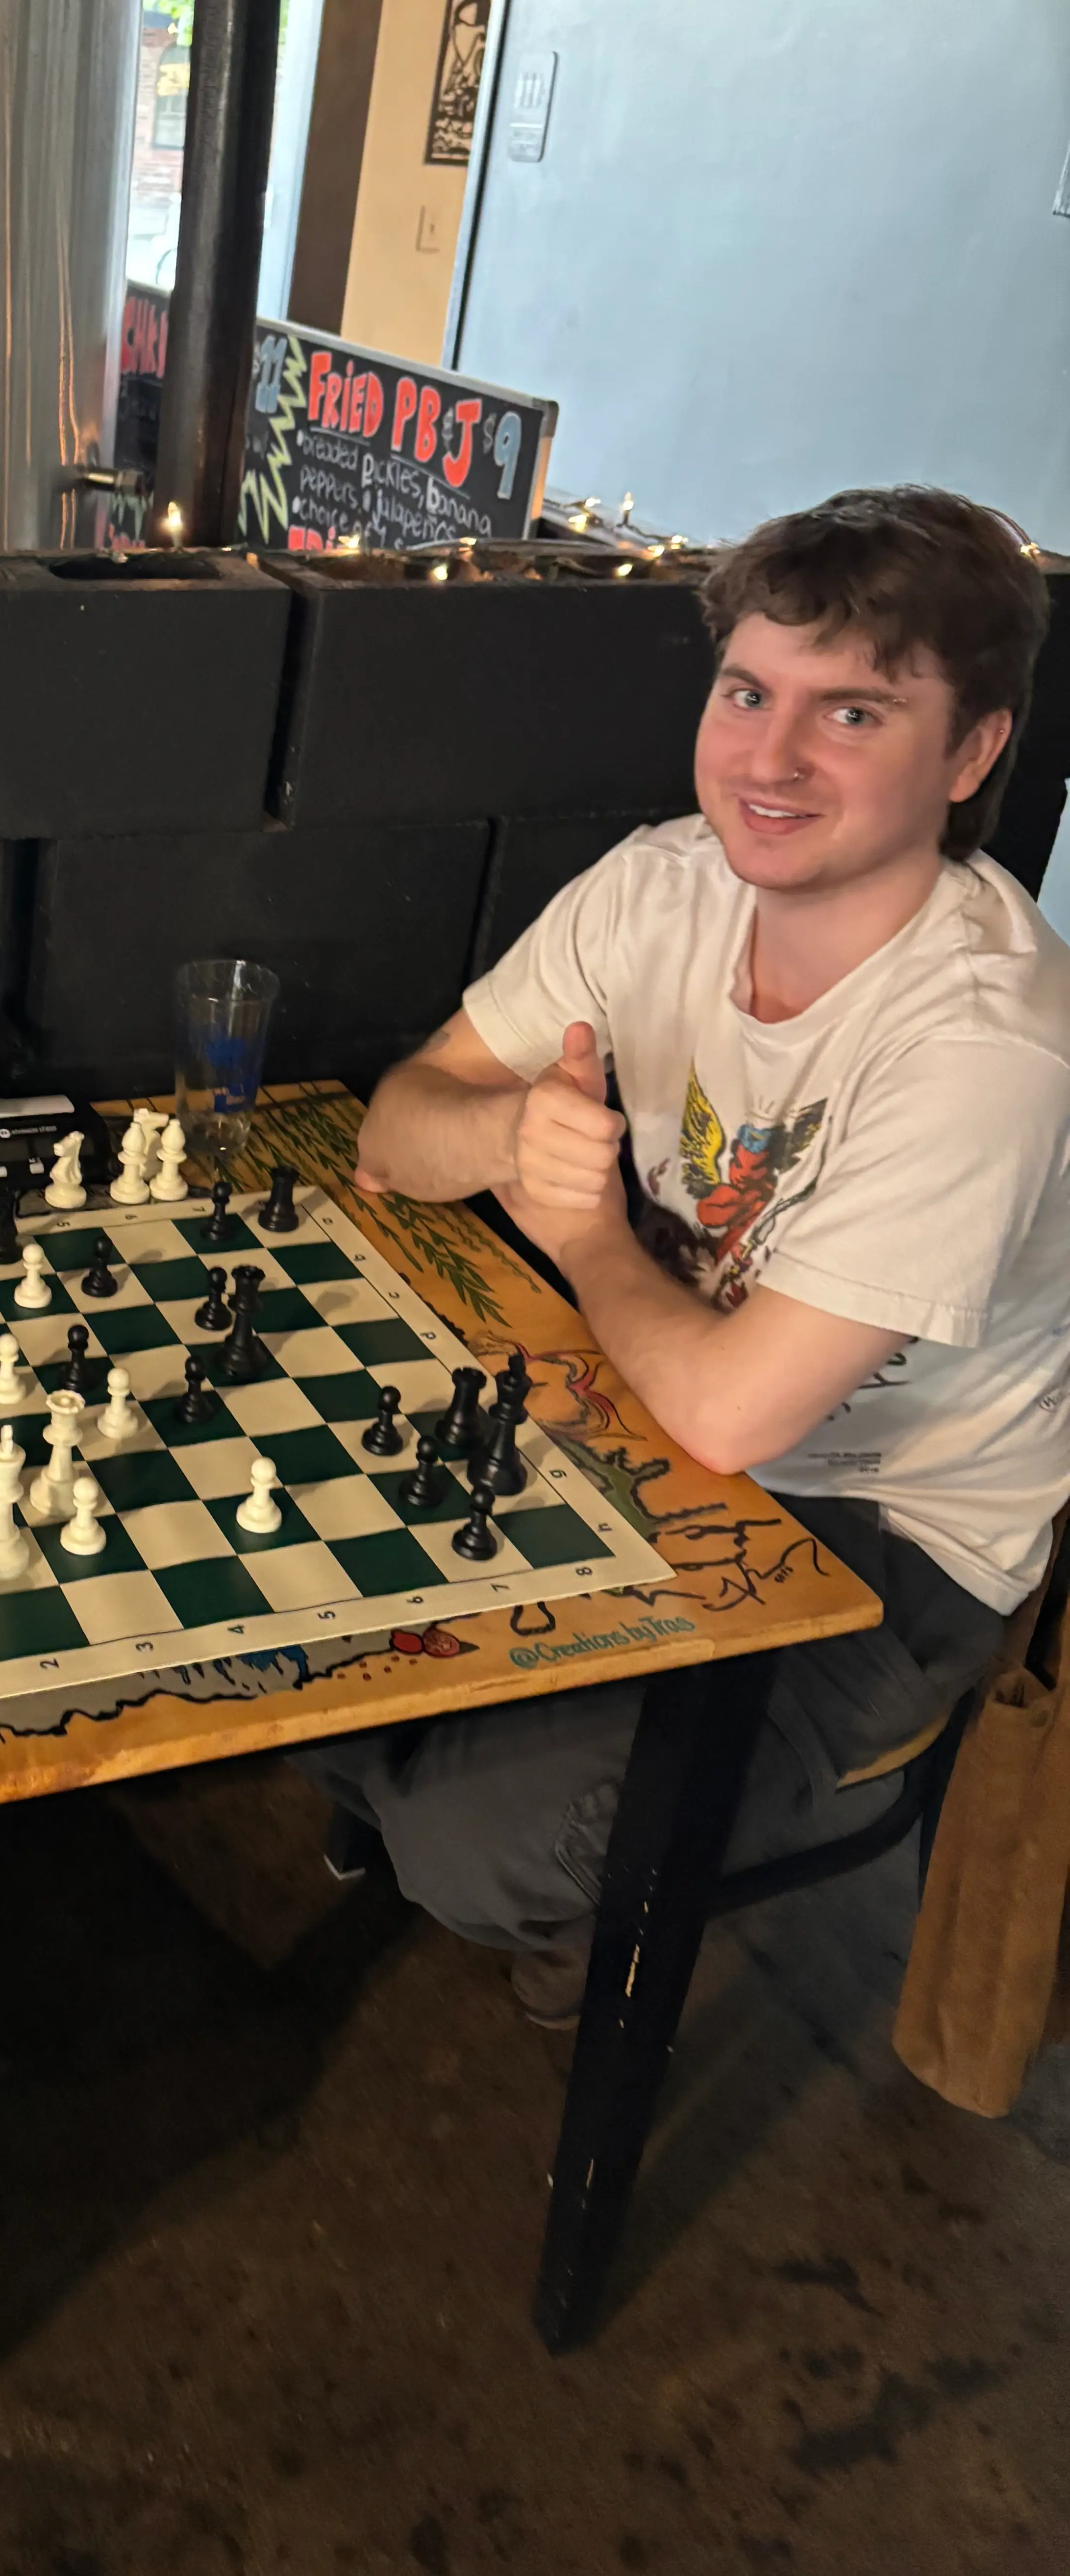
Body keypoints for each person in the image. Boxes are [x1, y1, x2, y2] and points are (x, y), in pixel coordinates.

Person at [305, 487, 1069, 2028]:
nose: (767, 759)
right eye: (746, 692)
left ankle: (553, 1917)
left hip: (884, 1533)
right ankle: (416, 1766)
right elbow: (399, 1130)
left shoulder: (982, 1039)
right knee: (276, 1633)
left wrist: (576, 1222)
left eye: (850, 712)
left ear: (970, 752)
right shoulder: (660, 883)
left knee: (469, 1841)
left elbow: (734, 1417)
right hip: (629, 1401)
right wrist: (512, 1136)